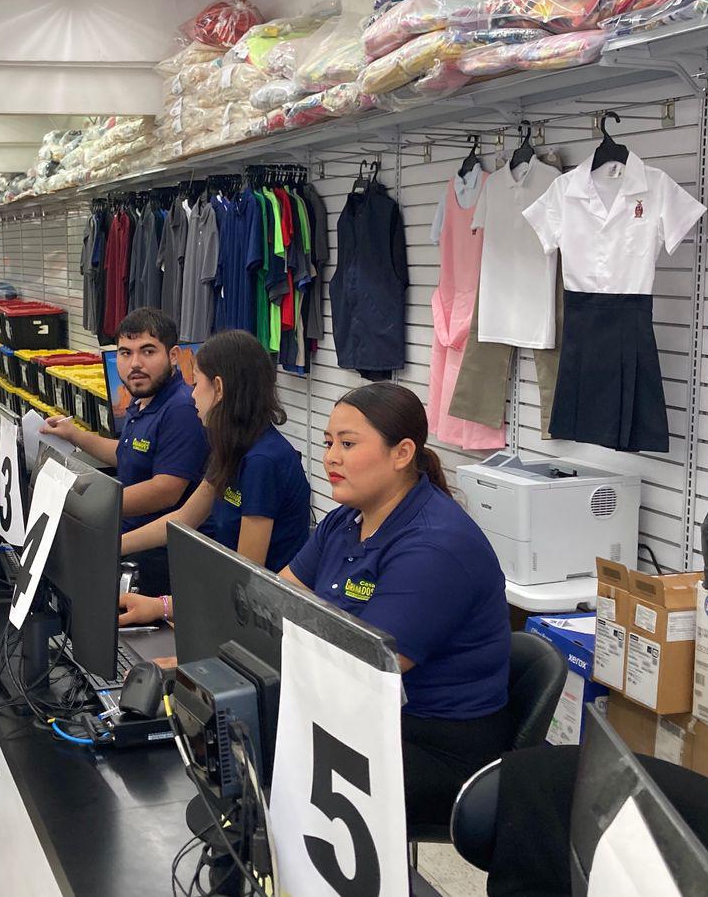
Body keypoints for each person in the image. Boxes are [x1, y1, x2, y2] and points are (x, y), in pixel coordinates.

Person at [280, 381, 512, 829]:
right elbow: (276, 601)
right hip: (370, 717)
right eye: (329, 443)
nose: (331, 457)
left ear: (402, 453)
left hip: (436, 746)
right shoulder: (346, 519)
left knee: (265, 753)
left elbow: (364, 670)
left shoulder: (435, 548)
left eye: (348, 444)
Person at [117, 330, 311, 624]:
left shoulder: (263, 462)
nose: (191, 394)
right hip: (226, 601)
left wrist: (164, 607)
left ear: (218, 388)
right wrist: (113, 545)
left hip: (260, 621)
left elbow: (247, 576)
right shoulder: (233, 446)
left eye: (196, 383)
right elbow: (183, 518)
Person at [43, 307, 208, 595]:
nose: (135, 363)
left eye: (147, 351)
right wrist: (75, 435)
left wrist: (87, 503)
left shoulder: (181, 409)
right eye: (125, 353)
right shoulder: (142, 399)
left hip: (156, 558)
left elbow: (166, 489)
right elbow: (127, 452)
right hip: (127, 543)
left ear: (172, 356)